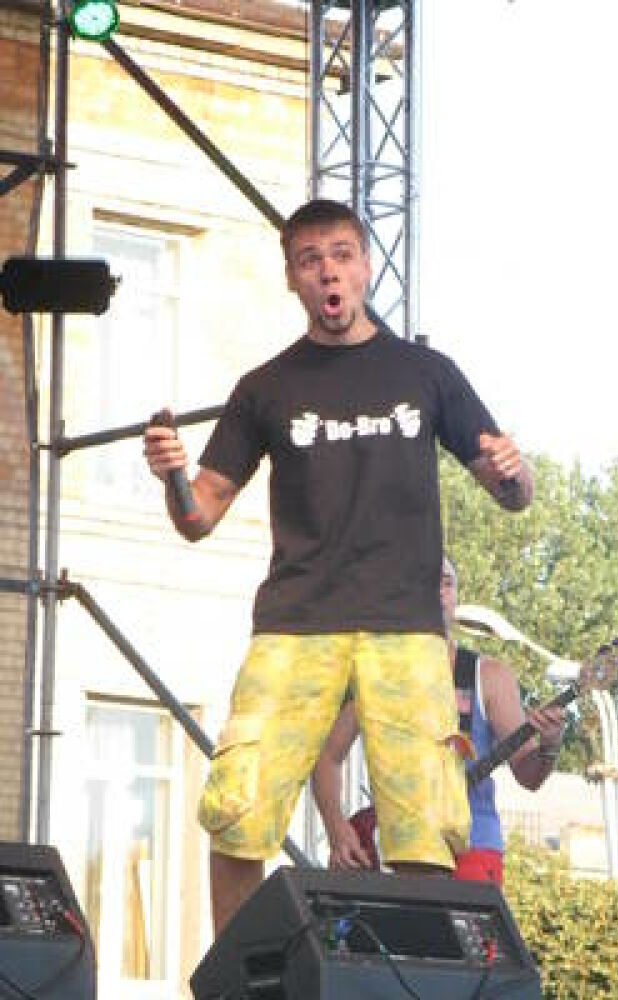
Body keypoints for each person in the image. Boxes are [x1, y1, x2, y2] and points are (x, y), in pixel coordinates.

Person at [143, 198, 534, 933]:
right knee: (238, 809)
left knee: (425, 822)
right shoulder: (265, 387)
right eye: (310, 258)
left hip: (406, 628)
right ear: (292, 277)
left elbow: (509, 491)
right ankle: (238, 980)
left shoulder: (426, 372)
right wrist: (172, 477)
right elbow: (199, 516)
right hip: (295, 624)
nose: (328, 271)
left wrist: (515, 473)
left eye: (342, 254)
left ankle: (419, 976)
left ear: (364, 267)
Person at [311, 558, 565, 886]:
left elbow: (529, 775)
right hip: (392, 845)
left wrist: (550, 745)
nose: (440, 591)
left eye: (447, 583)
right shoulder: (380, 674)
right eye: (430, 581)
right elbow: (327, 757)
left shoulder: (488, 676)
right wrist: (336, 828)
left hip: (472, 849)